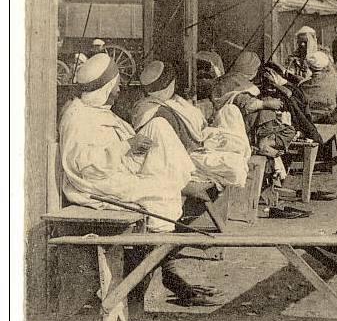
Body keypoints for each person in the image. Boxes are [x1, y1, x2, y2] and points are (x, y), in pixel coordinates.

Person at [60, 54, 221, 306]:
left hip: (115, 170)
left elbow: (111, 149)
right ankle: (155, 274)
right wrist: (127, 146)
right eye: (116, 85)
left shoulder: (96, 111)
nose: (120, 89)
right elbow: (84, 166)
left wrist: (132, 147)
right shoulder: (78, 117)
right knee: (164, 193)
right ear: (104, 88)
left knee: (159, 127)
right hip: (96, 184)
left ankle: (186, 182)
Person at [132, 60, 250, 187]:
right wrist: (207, 144)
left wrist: (208, 137)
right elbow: (179, 147)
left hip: (198, 146)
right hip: (186, 158)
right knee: (236, 166)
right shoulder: (155, 111)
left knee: (231, 113)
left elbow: (196, 128)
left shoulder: (172, 101)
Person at [300, 50, 337, 122]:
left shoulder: (303, 85)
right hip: (329, 118)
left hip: (310, 119)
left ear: (310, 67)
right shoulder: (334, 81)